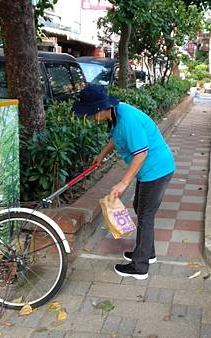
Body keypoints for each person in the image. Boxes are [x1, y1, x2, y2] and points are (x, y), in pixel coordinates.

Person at [73, 84, 174, 280]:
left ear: (100, 109)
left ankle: (140, 266)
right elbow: (117, 138)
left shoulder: (127, 119)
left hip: (156, 170)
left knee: (145, 215)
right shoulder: (116, 114)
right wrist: (101, 154)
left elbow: (141, 153)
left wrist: (122, 183)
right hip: (150, 171)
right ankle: (147, 252)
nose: (92, 119)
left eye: (91, 115)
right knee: (141, 208)